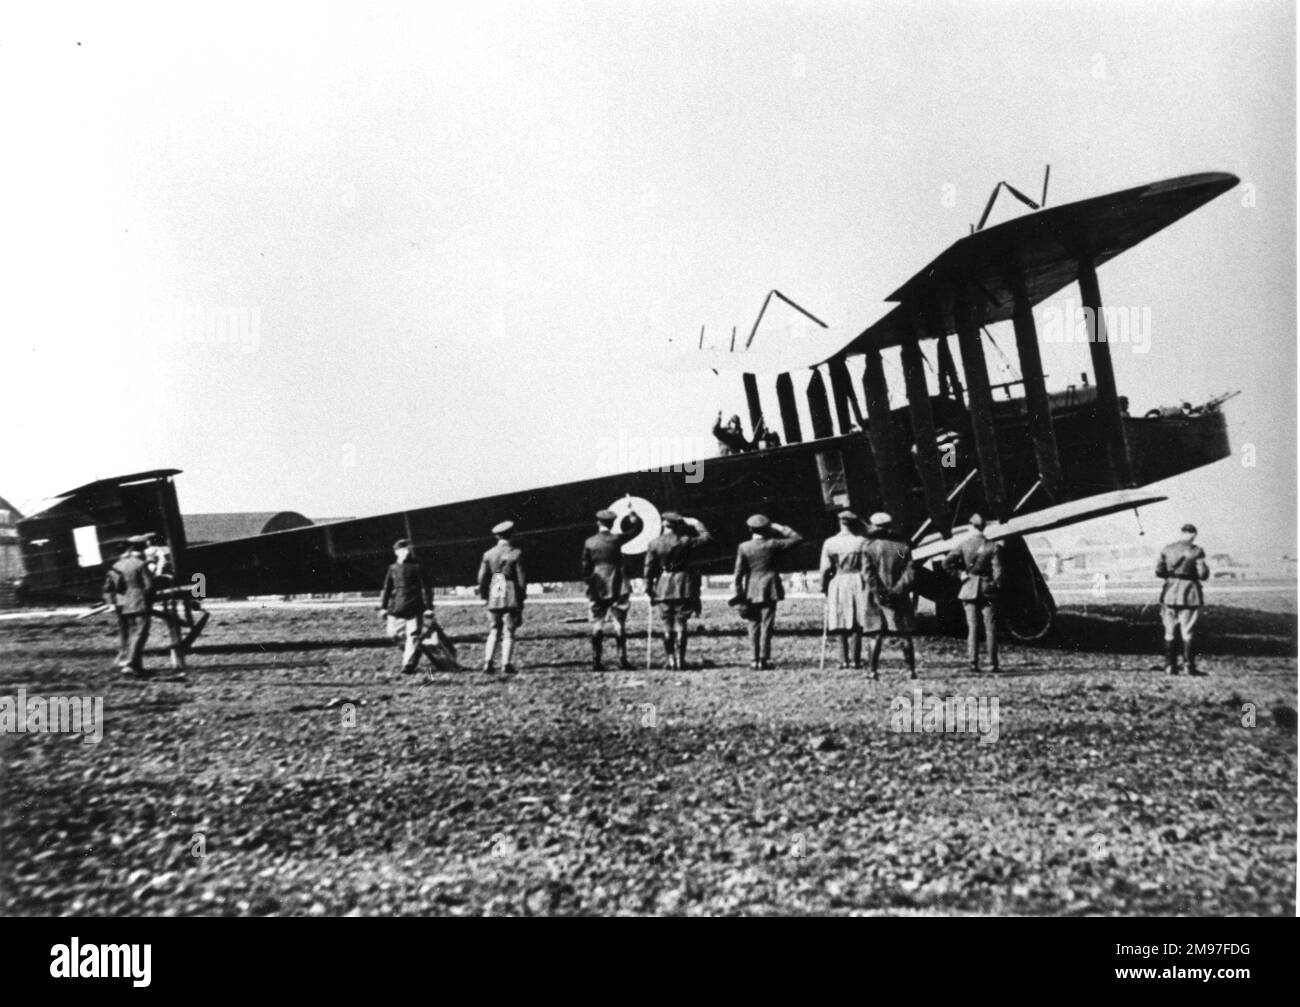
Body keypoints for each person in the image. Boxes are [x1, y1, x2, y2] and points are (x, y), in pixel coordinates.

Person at [733, 514, 803, 669]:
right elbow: (797, 538)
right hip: (770, 587)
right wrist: (780, 527)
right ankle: (763, 659)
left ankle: (753, 659)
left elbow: (738, 574)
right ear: (767, 528)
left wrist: (739, 595)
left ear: (750, 529)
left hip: (751, 588)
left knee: (753, 624)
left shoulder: (743, 547)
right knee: (767, 623)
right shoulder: (773, 544)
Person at [644, 512, 712, 669]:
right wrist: (696, 522)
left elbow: (648, 569)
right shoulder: (685, 540)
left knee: (667, 623)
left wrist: (649, 589)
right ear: (678, 525)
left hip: (663, 586)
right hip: (683, 585)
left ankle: (671, 660)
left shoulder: (654, 543)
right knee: (681, 622)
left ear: (663, 524)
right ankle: (681, 660)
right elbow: (706, 537)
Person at [581, 507, 644, 670]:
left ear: (598, 522)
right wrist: (634, 519)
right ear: (613, 523)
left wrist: (590, 581)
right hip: (617, 581)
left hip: (598, 583)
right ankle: (622, 659)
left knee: (597, 623)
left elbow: (585, 566)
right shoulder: (616, 539)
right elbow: (635, 531)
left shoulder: (589, 542)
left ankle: (596, 661)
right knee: (619, 623)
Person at [943, 513, 1003, 674]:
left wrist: (960, 574)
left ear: (970, 526)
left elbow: (946, 562)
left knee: (973, 628)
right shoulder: (993, 546)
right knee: (991, 627)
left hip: (968, 588)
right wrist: (993, 585)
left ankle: (973, 663)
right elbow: (998, 571)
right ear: (984, 527)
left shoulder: (964, 544)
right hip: (987, 590)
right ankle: (993, 664)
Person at [863, 512, 917, 679]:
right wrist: (897, 590)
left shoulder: (869, 547)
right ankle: (911, 670)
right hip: (899, 597)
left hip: (876, 597)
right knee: (904, 633)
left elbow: (869, 574)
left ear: (874, 526)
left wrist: (881, 592)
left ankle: (872, 670)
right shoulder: (901, 547)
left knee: (876, 633)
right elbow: (909, 573)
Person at [818, 509, 871, 669]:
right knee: (857, 620)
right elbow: (867, 566)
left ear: (840, 523)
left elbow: (825, 569)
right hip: (857, 580)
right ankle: (855, 660)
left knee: (840, 618)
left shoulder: (830, 542)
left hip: (839, 581)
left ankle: (843, 660)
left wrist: (823, 586)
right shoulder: (862, 541)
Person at [1156, 523, 1210, 676]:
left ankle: (1169, 666)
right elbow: (1203, 574)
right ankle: (1188, 666)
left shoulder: (1167, 549)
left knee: (1169, 632)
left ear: (1181, 533)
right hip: (1189, 594)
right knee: (1188, 632)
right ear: (1193, 535)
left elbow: (1159, 571)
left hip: (1169, 593)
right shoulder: (1196, 551)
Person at [378, 539, 434, 675]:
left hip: (415, 607)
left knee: (413, 635)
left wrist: (428, 607)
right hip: (396, 607)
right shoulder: (392, 568)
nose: (406, 552)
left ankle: (408, 665)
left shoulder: (417, 567)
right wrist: (383, 607)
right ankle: (415, 650)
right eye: (403, 550)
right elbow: (387, 588)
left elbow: (426, 588)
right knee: (393, 634)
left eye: (408, 549)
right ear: (397, 552)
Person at [478, 520, 526, 675]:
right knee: (509, 630)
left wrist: (485, 596)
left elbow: (482, 578)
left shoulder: (488, 554)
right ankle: (506, 664)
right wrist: (521, 597)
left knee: (494, 629)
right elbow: (521, 579)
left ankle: (488, 662)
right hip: (510, 589)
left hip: (496, 587)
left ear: (497, 536)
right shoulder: (516, 553)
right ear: (511, 534)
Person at [102, 535, 154, 677]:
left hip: (123, 604)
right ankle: (130, 664)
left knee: (131, 634)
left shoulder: (116, 565)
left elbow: (108, 588)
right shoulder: (140, 564)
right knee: (140, 633)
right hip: (139, 601)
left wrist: (112, 603)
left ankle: (133, 665)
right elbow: (149, 586)